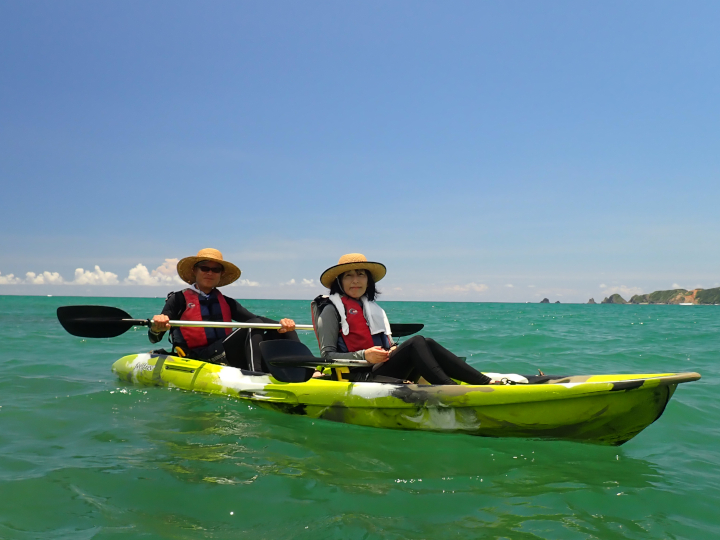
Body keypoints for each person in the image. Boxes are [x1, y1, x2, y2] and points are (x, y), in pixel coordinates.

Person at [315, 253, 492, 385]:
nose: (356, 280)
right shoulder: (331, 310)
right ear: (339, 281)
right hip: (359, 377)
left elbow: (386, 343)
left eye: (361, 274)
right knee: (416, 342)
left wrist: (392, 349)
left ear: (368, 281)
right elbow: (327, 356)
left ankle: (485, 382)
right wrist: (364, 355)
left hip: (382, 371)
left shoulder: (372, 309)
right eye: (349, 275)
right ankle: (451, 390)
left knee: (426, 342)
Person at [149, 248, 298, 371]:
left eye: (215, 270)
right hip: (196, 357)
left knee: (280, 328)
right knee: (255, 325)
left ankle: (305, 368)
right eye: (205, 268)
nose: (210, 273)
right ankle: (255, 375)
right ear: (195, 270)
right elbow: (154, 338)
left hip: (223, 352)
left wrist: (282, 325)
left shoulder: (226, 301)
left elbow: (255, 319)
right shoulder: (179, 299)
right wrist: (157, 327)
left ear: (221, 274)